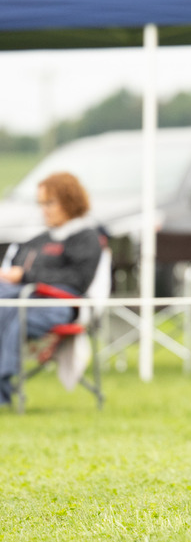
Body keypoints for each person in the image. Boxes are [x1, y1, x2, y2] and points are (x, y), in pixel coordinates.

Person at [0, 172, 103, 406]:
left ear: (69, 201)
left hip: (62, 304)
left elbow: (78, 280)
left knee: (14, 314)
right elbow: (16, 267)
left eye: (50, 203)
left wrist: (25, 276)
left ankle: (2, 385)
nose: (44, 210)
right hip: (24, 297)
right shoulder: (39, 239)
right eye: (41, 204)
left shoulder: (87, 238)